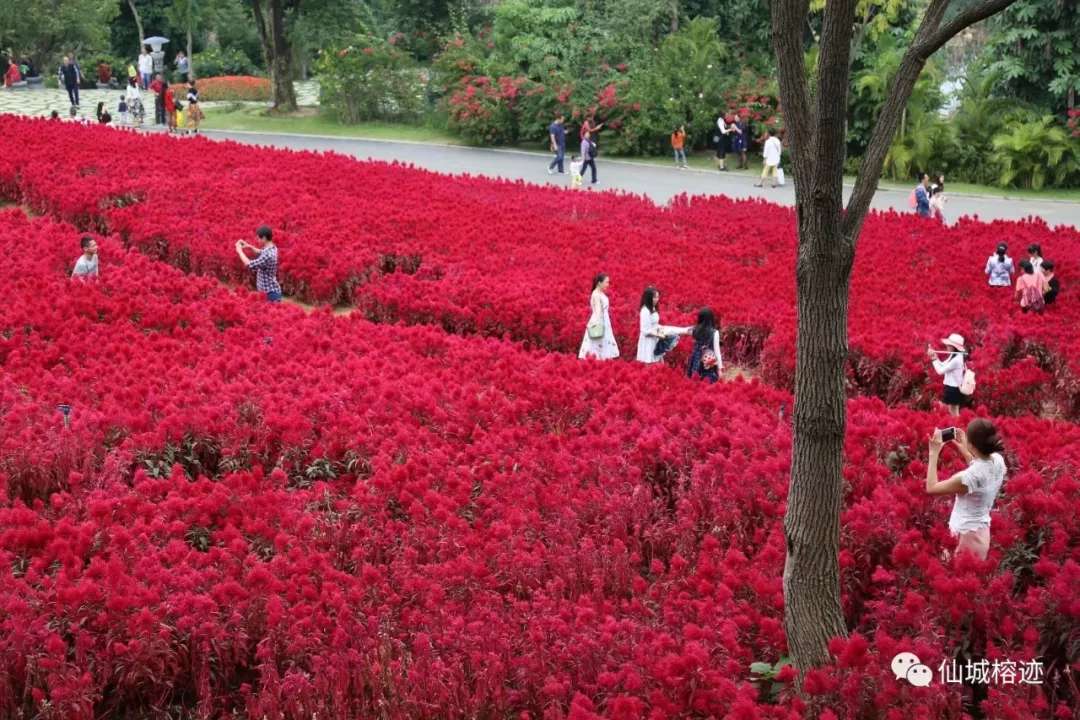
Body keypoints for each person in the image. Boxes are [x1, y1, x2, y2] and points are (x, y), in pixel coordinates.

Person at [925, 418, 1006, 561]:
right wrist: (965, 449)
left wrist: (933, 453)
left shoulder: (966, 479)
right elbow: (980, 471)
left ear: (973, 446)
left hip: (966, 537)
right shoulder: (997, 460)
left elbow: (931, 488)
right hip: (981, 533)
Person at [636, 286, 692, 363]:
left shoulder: (652, 308)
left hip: (655, 339)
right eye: (654, 297)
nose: (657, 299)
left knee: (658, 363)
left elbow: (655, 326)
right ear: (648, 298)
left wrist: (683, 330)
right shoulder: (645, 311)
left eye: (658, 297)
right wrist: (660, 334)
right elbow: (645, 331)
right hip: (648, 342)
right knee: (651, 363)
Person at [235, 226, 282, 302]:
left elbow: (249, 264)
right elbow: (261, 251)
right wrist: (249, 246)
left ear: (264, 238)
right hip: (269, 292)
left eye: (258, 238)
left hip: (270, 294)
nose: (257, 240)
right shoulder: (272, 248)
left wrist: (239, 251)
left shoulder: (268, 255)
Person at [578, 273, 619, 360]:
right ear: (599, 283)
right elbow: (597, 312)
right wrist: (595, 325)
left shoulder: (600, 293)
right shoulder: (596, 294)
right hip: (600, 321)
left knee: (602, 346)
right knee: (598, 347)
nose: (608, 285)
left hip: (604, 321)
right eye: (606, 282)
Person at [928, 333, 968, 417]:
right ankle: (958, 426)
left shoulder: (956, 359)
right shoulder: (954, 356)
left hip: (953, 389)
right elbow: (943, 365)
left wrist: (933, 359)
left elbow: (940, 371)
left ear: (954, 347)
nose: (946, 346)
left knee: (944, 408)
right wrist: (935, 358)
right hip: (954, 388)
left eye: (949, 345)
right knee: (954, 412)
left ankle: (956, 426)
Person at [686, 308, 723, 383]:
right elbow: (717, 352)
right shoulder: (715, 333)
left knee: (695, 382)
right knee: (708, 383)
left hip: (696, 359)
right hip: (708, 359)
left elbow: (682, 331)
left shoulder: (694, 330)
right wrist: (720, 369)